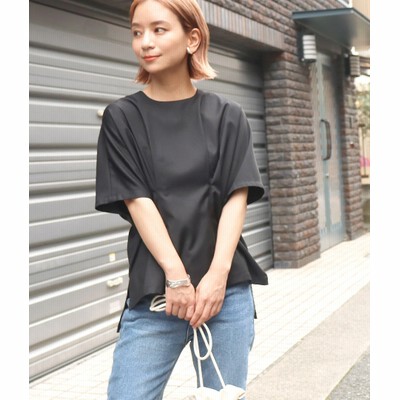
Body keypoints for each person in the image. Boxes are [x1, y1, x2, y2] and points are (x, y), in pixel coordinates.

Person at [95, 0, 268, 398]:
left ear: (192, 39)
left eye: (158, 30)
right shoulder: (122, 117)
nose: (144, 42)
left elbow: (237, 195)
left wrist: (217, 277)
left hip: (224, 292)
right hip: (157, 296)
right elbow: (137, 200)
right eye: (137, 32)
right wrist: (176, 278)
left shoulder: (227, 115)